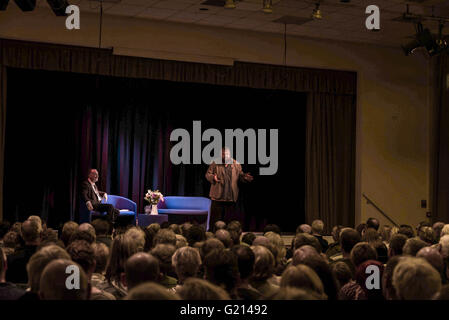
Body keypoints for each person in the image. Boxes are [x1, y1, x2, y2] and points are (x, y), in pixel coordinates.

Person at [205, 147, 253, 227]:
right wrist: (213, 177)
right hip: (217, 197)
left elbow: (240, 175)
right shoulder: (215, 163)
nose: (225, 156)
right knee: (215, 220)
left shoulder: (236, 164)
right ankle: (212, 234)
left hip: (230, 197)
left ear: (230, 154)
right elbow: (208, 174)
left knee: (229, 221)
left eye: (227, 154)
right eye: (223, 154)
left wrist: (244, 177)